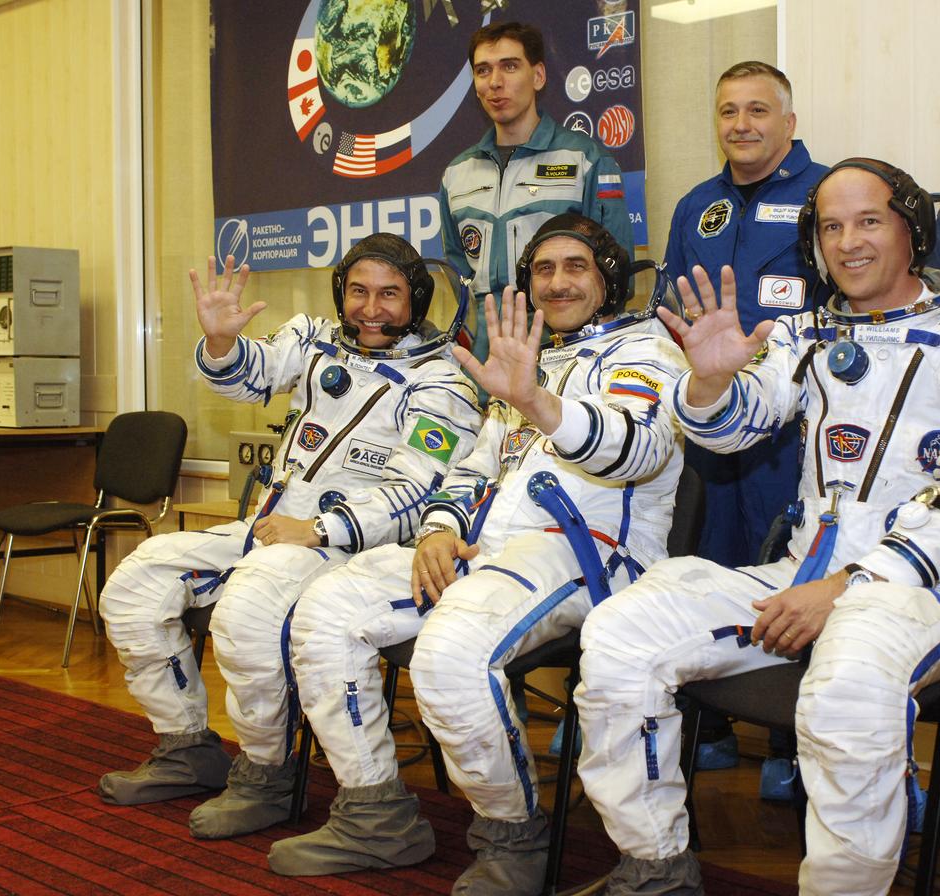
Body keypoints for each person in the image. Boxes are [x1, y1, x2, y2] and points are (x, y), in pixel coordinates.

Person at [573, 159, 940, 895]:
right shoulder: (806, 334)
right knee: (621, 632)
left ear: (913, 229)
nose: (848, 242)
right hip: (807, 575)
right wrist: (708, 380)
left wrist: (852, 584)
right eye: (830, 226)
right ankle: (655, 866)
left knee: (847, 683)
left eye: (869, 221)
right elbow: (732, 429)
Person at [267, 214, 686, 894]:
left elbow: (636, 450)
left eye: (575, 266)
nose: (557, 282)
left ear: (608, 277)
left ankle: (512, 837)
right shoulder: (534, 357)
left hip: (587, 552)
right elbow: (471, 466)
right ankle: (376, 815)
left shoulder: (646, 356)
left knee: (449, 653)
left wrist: (539, 404)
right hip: (486, 549)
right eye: (542, 270)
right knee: (327, 609)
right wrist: (436, 528)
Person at [95, 235, 482, 841]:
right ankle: (186, 747)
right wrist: (222, 341)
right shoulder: (312, 339)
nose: (371, 309)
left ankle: (266, 774)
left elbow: (419, 493)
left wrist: (322, 528)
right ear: (340, 293)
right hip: (272, 530)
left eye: (389, 294)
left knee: (245, 613)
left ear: (417, 299)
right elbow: (251, 376)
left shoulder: (443, 382)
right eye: (358, 291)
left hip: (347, 548)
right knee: (136, 583)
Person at [664, 60, 828, 569]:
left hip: (791, 422)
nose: (741, 124)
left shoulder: (827, 194)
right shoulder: (696, 206)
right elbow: (670, 304)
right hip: (712, 412)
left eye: (758, 110)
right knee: (710, 563)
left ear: (789, 122)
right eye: (728, 112)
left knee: (786, 564)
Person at [439, 21, 635, 361]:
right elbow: (460, 279)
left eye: (510, 66)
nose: (495, 82)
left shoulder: (585, 161)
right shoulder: (457, 174)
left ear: (539, 76)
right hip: (484, 360)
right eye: (483, 70)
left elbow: (618, 277)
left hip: (563, 356)